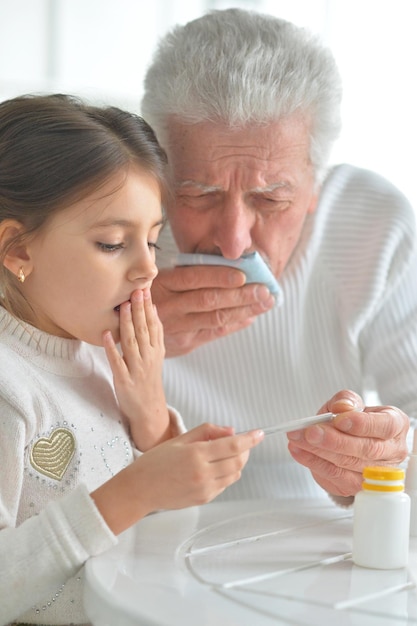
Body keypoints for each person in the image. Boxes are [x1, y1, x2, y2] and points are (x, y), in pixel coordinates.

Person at [0, 94, 263, 626]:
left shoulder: (97, 353)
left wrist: (152, 420)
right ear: (18, 249)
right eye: (113, 244)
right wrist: (135, 489)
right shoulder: (10, 387)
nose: (149, 270)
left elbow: (160, 543)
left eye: (152, 239)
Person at [141, 8, 417, 504]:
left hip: (321, 529)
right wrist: (107, 340)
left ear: (316, 185)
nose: (233, 242)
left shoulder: (374, 224)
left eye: (270, 199)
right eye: (199, 194)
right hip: (150, 520)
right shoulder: (110, 229)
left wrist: (394, 454)